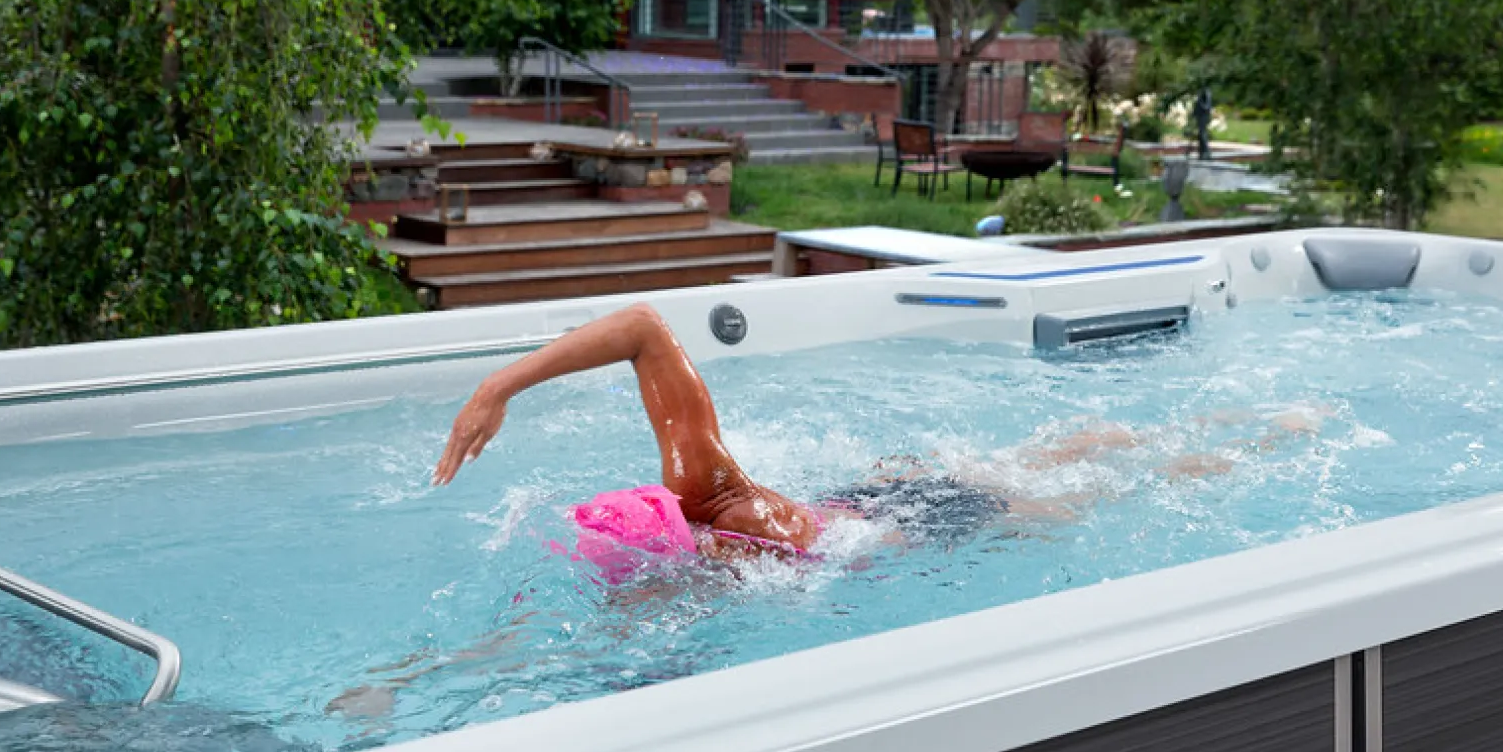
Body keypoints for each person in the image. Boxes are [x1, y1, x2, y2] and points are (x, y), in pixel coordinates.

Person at [431, 302, 1321, 570]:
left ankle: (1247, 441)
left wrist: (496, 385)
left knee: (1092, 495)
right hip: (863, 497)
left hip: (921, 517)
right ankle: (1174, 428)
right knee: (1051, 454)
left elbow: (642, 329)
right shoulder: (705, 555)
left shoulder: (706, 491)